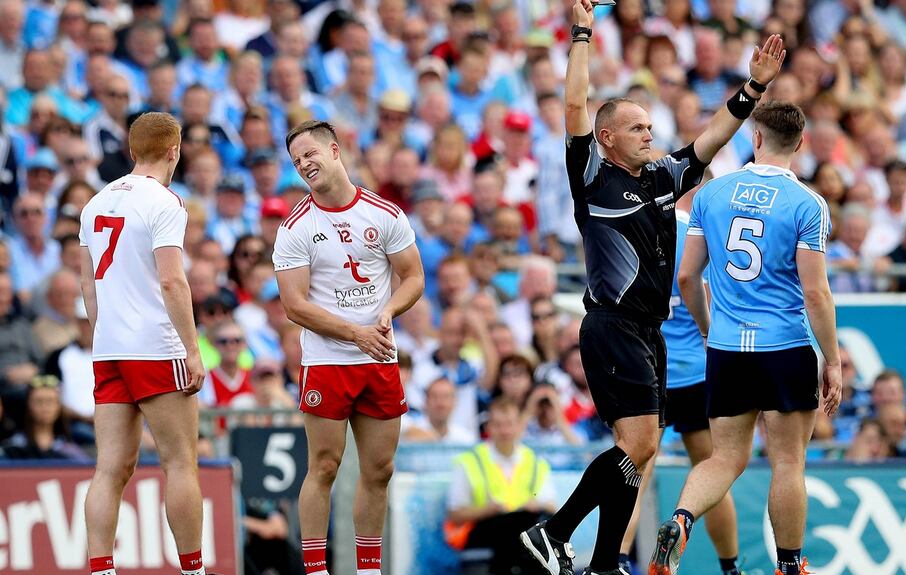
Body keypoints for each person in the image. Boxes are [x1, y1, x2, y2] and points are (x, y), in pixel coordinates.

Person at [519, 0, 786, 571]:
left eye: (650, 124)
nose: (649, 133)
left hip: (649, 331)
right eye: (636, 126)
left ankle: (605, 564)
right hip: (612, 326)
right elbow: (573, 103)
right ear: (606, 137)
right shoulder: (591, 176)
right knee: (638, 447)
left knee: (638, 452)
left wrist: (753, 89)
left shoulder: (664, 175)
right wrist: (584, 32)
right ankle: (555, 531)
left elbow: (712, 138)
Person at [651, 101, 841, 575]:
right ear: (799, 144)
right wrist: (832, 360)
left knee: (726, 458)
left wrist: (708, 328)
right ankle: (791, 565)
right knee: (787, 461)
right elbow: (815, 293)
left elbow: (689, 279)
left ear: (754, 138)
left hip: (728, 347)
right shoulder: (807, 204)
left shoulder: (713, 196)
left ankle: (680, 518)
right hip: (786, 346)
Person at [273, 120, 424, 575]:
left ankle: (368, 569)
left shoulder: (385, 214)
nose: (304, 165)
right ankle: (316, 569)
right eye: (297, 161)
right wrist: (354, 332)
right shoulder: (296, 226)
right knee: (324, 466)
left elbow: (413, 277)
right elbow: (294, 306)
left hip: (378, 358)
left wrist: (388, 312)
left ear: (334, 150)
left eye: (309, 155)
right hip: (327, 361)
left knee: (379, 469)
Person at [79, 112, 207, 575]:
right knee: (180, 463)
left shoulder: (94, 204)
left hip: (109, 346)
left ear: (132, 151)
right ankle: (193, 569)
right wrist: (192, 349)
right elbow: (172, 281)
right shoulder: (166, 202)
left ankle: (101, 567)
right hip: (155, 346)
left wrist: (105, 333)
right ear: (174, 150)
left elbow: (89, 286)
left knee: (109, 469)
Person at [619, 194, 741, 575]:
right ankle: (730, 568)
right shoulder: (697, 232)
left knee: (634, 471)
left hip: (647, 369)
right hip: (696, 373)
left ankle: (618, 560)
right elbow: (707, 294)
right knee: (712, 472)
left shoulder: (630, 229)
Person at [446, 396, 556, 575]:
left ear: (520, 426)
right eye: (498, 424)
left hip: (523, 535)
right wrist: (487, 510)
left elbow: (551, 507)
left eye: (509, 424)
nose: (504, 430)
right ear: (489, 427)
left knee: (528, 526)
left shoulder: (536, 462)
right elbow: (455, 514)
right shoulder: (469, 462)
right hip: (484, 534)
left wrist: (537, 504)